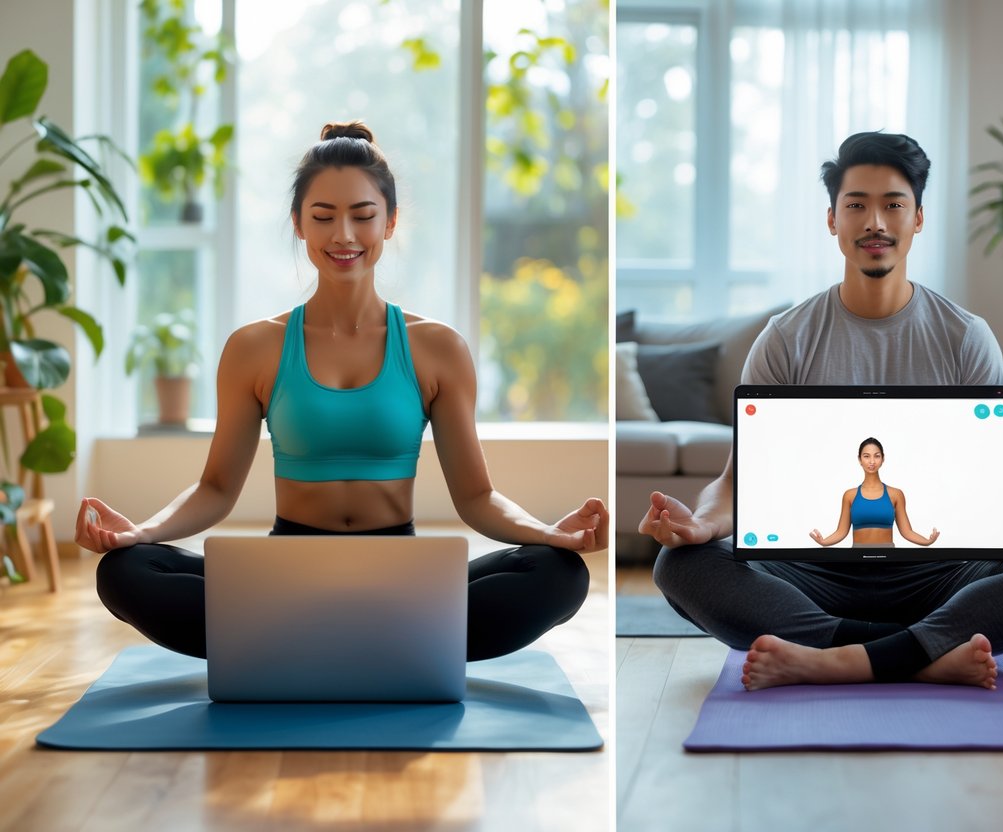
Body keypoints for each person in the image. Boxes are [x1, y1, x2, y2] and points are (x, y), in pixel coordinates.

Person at [79, 121, 607, 662]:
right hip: (288, 574)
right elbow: (215, 489)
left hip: (399, 577)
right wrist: (140, 532)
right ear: (299, 224)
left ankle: (296, 646)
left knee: (559, 573)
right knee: (126, 570)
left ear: (391, 222)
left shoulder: (437, 349)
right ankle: (388, 646)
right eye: (324, 217)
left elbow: (476, 498)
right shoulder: (255, 348)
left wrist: (546, 532)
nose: (344, 236)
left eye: (363, 215)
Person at [640, 131, 1003, 692]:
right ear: (832, 220)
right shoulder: (785, 338)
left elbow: (997, 483)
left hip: (941, 573)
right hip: (812, 573)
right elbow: (739, 482)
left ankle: (831, 656)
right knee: (680, 566)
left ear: (918, 219)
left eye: (893, 205)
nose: (874, 221)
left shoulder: (965, 336)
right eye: (856, 205)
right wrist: (703, 523)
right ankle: (925, 653)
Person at [810, 437, 939, 548]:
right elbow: (841, 532)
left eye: (877, 456)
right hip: (857, 559)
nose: (872, 461)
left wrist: (927, 542)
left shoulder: (896, 494)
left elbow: (907, 531)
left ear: (883, 459)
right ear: (860, 459)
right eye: (866, 456)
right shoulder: (850, 495)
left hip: (888, 560)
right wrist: (824, 542)